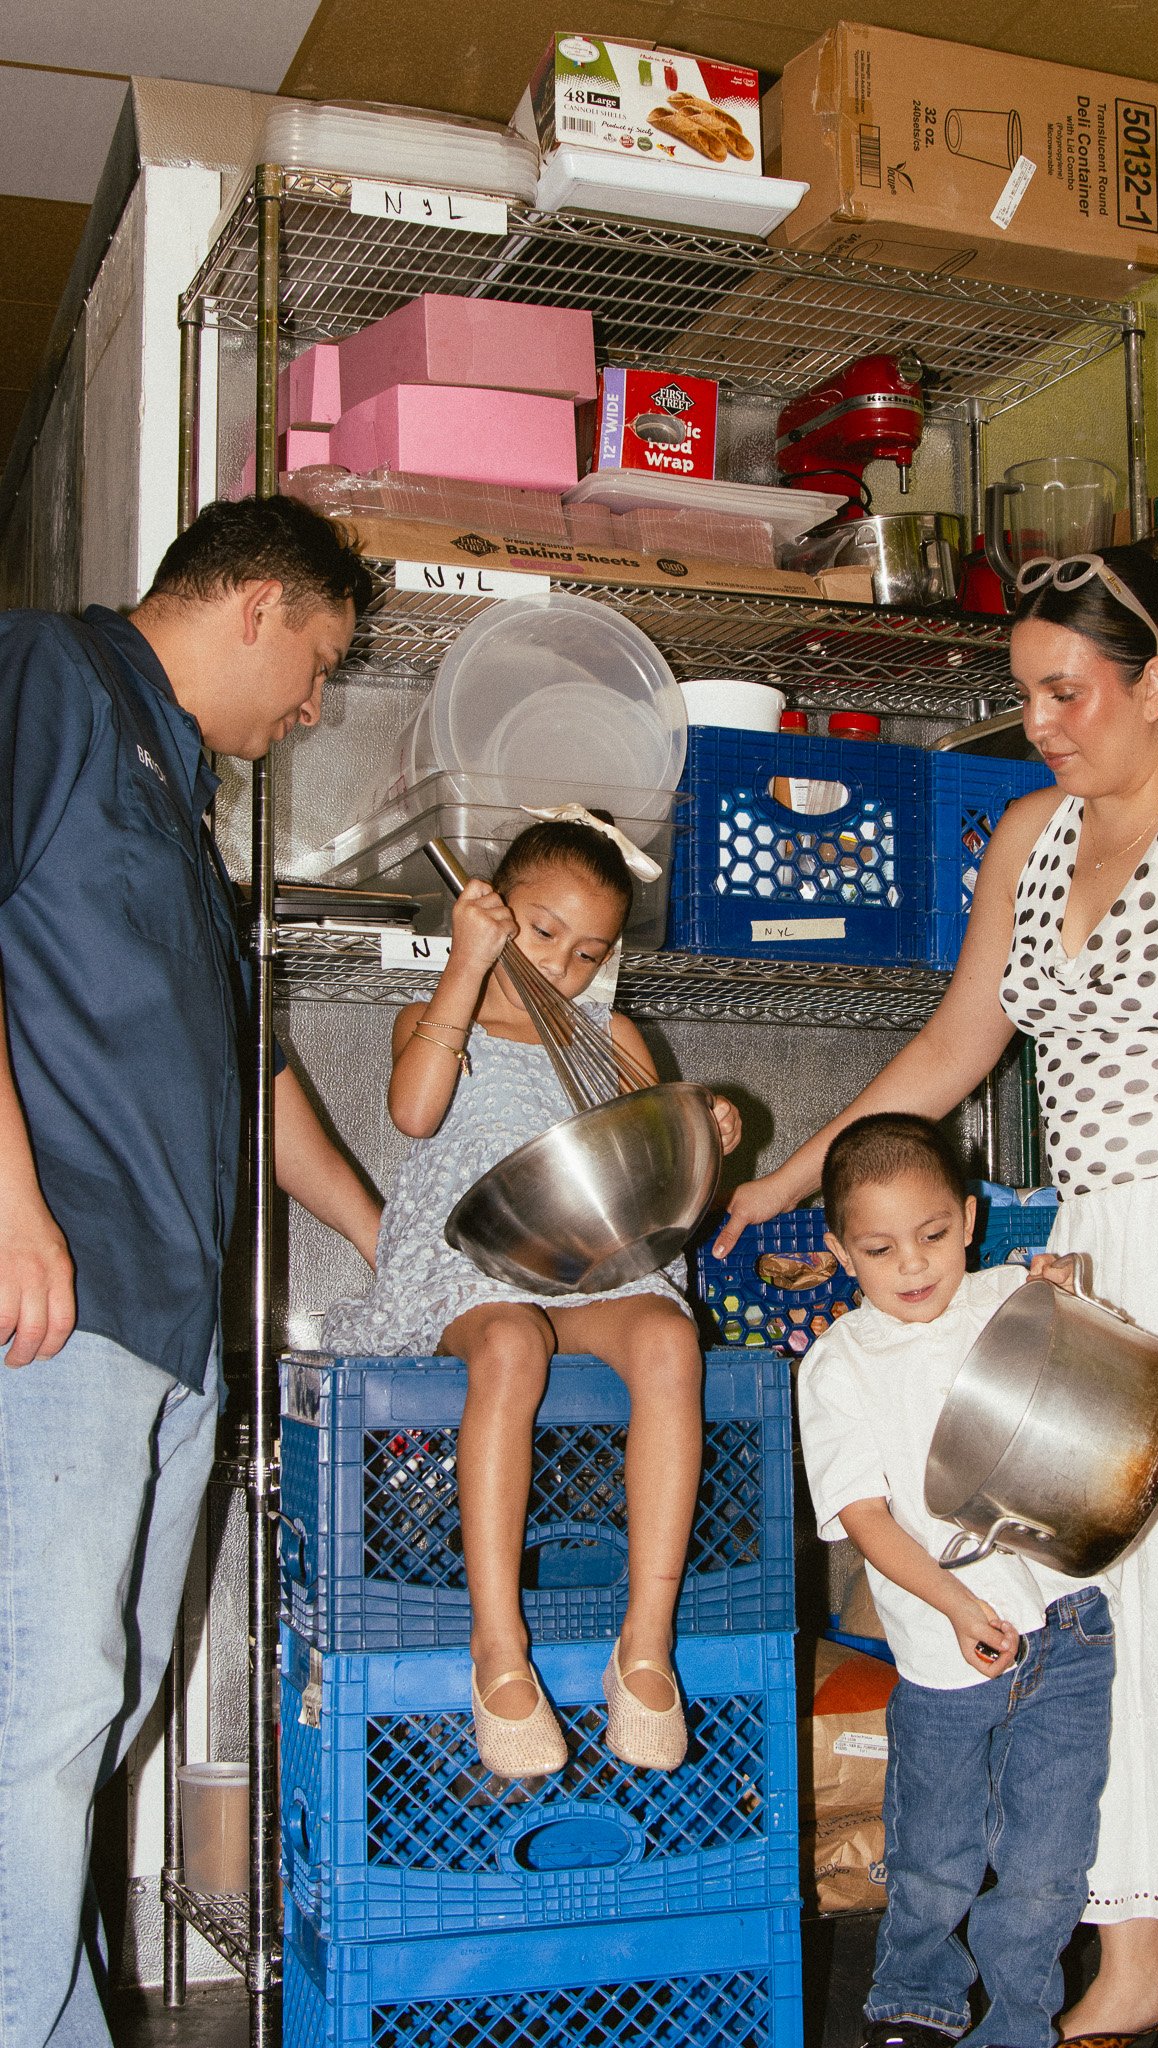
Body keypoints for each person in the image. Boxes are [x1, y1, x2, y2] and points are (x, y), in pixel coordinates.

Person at [718, 533, 1158, 2048]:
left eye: (1068, 692)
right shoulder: (1030, 834)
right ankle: (1132, 1944)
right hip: (1098, 1252)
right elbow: (956, 1047)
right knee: (1099, 1602)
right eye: (1024, 696)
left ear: (1152, 681)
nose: (1043, 724)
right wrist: (797, 1173)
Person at [0, 494, 384, 2048]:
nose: (308, 708)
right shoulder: (47, 680)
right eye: (317, 665)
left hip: (166, 1328)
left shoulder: (171, 796)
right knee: (40, 1714)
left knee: (100, 1709)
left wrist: (386, 1240)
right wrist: (10, 1204)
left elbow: (249, 1071)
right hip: (62, 1296)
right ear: (257, 607)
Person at [323, 812, 742, 1777]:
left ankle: (645, 1645)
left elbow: (655, 1173)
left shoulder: (616, 1035)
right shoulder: (443, 1015)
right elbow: (414, 1112)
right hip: (469, 1266)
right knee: (512, 1349)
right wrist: (465, 971)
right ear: (494, 915)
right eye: (540, 932)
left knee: (672, 1348)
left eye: (589, 951)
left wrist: (709, 1132)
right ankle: (498, 1649)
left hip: (590, 1267)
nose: (561, 965)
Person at [799, 1111, 1106, 2048]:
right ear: (840, 1250)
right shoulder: (837, 1363)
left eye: (932, 1235)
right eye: (880, 1247)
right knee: (933, 1857)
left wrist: (1072, 1284)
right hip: (941, 1654)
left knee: (1049, 1864)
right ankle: (915, 2007)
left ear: (969, 1219)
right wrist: (957, 1602)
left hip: (1069, 1628)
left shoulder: (1005, 1298)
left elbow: (1087, 1365)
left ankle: (1019, 2023)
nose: (913, 1264)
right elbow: (865, 1521)